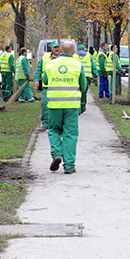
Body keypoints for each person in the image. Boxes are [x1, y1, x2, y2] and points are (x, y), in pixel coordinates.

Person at [44, 41, 88, 174]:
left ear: (61, 50)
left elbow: (45, 81)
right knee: (70, 134)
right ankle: (69, 166)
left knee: (53, 130)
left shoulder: (51, 64)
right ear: (73, 52)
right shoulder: (78, 65)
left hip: (54, 104)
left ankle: (57, 153)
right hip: (71, 105)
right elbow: (84, 86)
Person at [34, 40, 61, 131]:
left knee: (59, 106)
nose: (56, 48)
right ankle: (45, 124)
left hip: (60, 87)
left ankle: (58, 124)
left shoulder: (64, 58)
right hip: (48, 86)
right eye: (55, 47)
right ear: (51, 48)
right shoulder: (45, 58)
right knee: (45, 104)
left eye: (58, 47)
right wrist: (37, 80)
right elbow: (38, 69)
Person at [74, 44, 98, 113]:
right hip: (86, 78)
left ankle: (77, 108)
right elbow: (94, 67)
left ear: (77, 50)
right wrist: (95, 76)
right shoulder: (88, 57)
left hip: (76, 77)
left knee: (76, 92)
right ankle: (83, 107)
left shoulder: (74, 56)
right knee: (84, 92)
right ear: (85, 50)